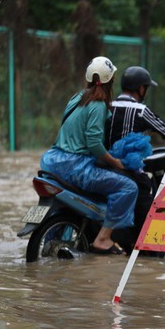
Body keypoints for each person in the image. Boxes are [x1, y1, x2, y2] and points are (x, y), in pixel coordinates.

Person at [40, 56, 138, 255]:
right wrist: (115, 162)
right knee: (128, 187)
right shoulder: (99, 105)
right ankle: (103, 239)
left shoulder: (76, 98)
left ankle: (51, 241)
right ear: (111, 81)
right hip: (75, 167)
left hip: (51, 161)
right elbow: (93, 142)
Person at [105, 66, 165, 253]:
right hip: (127, 170)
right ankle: (147, 249)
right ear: (140, 89)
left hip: (101, 166)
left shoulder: (107, 106)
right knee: (145, 197)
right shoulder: (140, 110)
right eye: (146, 88)